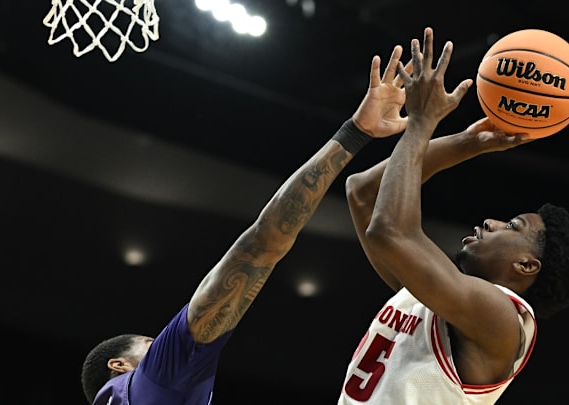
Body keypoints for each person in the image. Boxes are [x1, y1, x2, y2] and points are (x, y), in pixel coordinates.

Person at [80, 43, 411, 405]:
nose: (161, 345)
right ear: (120, 365)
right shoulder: (159, 378)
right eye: (152, 344)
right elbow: (261, 245)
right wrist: (354, 134)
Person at [339, 27, 569, 404]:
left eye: (512, 226)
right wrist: (469, 142)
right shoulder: (434, 297)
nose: (492, 222)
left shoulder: (501, 320)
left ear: (527, 265)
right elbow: (363, 192)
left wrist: (422, 122)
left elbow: (389, 231)